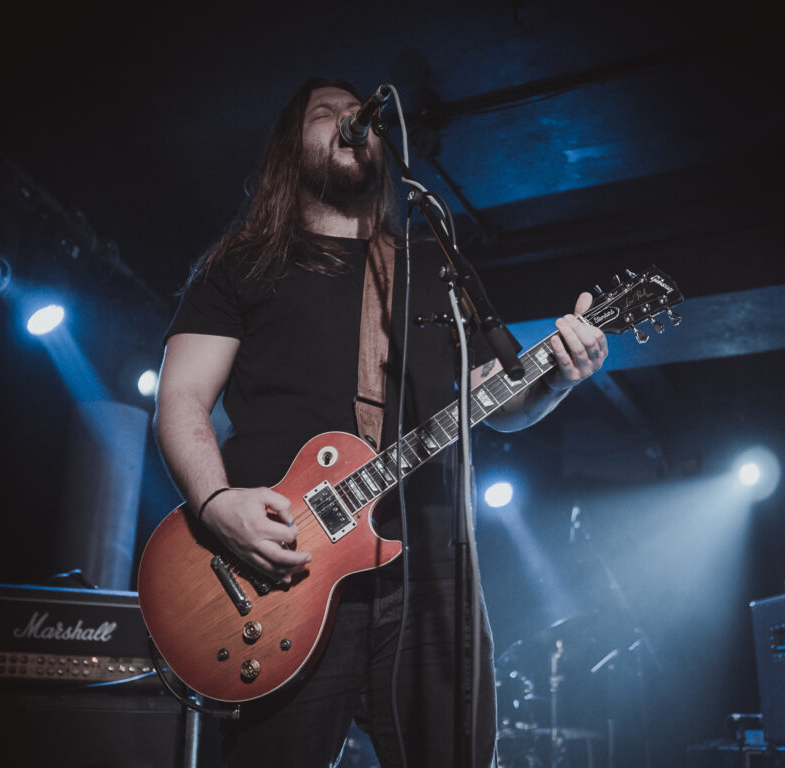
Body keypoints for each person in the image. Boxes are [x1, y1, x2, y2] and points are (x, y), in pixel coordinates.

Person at [153, 76, 608, 768]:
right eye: (325, 111)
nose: (350, 118)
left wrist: (557, 377)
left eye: (358, 112)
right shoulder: (244, 266)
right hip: (279, 568)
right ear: (289, 146)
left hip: (430, 572)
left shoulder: (435, 264)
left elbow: (500, 399)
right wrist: (216, 507)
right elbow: (181, 397)